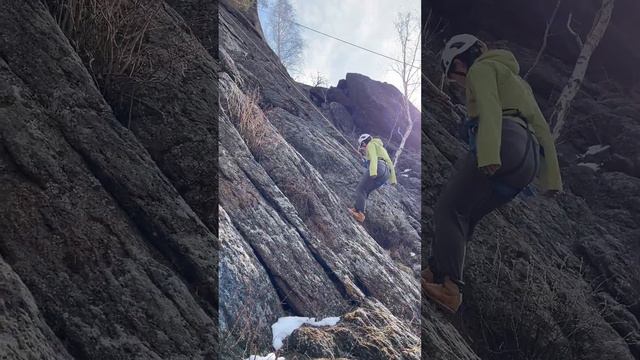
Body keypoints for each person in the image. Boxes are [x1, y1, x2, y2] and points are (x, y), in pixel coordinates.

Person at [423, 34, 563, 313]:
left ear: (462, 61)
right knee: (467, 215)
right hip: (528, 160)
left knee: (449, 209)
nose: (456, 82)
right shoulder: (517, 81)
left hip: (505, 142)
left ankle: (450, 288)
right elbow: (543, 128)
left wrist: (488, 152)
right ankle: (434, 273)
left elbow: (489, 109)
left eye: (453, 74)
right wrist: (551, 179)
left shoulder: (481, 69)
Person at [348, 134, 397, 223]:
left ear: (364, 142)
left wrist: (373, 172)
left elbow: (374, 158)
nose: (363, 147)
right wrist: (393, 180)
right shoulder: (381, 148)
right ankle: (356, 209)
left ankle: (360, 214)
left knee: (360, 189)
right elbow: (389, 162)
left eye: (362, 145)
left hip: (378, 168)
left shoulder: (371, 144)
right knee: (365, 191)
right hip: (385, 173)